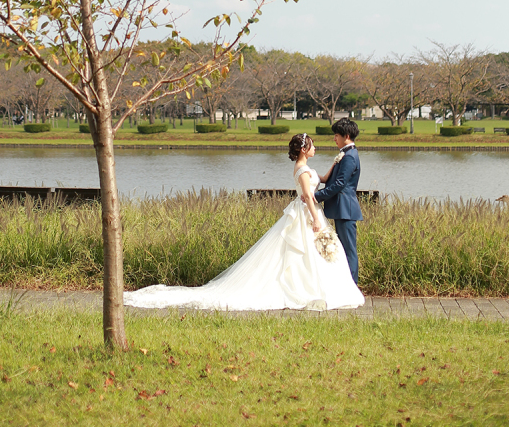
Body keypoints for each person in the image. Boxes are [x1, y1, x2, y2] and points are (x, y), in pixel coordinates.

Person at [124, 133, 364, 312]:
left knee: (312, 254)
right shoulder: (301, 171)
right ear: (303, 149)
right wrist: (314, 219)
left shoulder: (307, 168)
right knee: (301, 252)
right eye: (311, 145)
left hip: (309, 211)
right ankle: (305, 288)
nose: (315, 147)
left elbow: (321, 179)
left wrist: (335, 162)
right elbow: (309, 198)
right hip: (306, 213)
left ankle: (316, 286)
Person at [314, 118, 362, 284]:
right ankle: (346, 285)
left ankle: (352, 286)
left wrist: (316, 196)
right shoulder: (347, 154)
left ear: (346, 136)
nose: (334, 138)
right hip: (341, 208)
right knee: (343, 249)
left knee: (349, 250)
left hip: (346, 209)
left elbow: (340, 184)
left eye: (336, 135)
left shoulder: (349, 156)